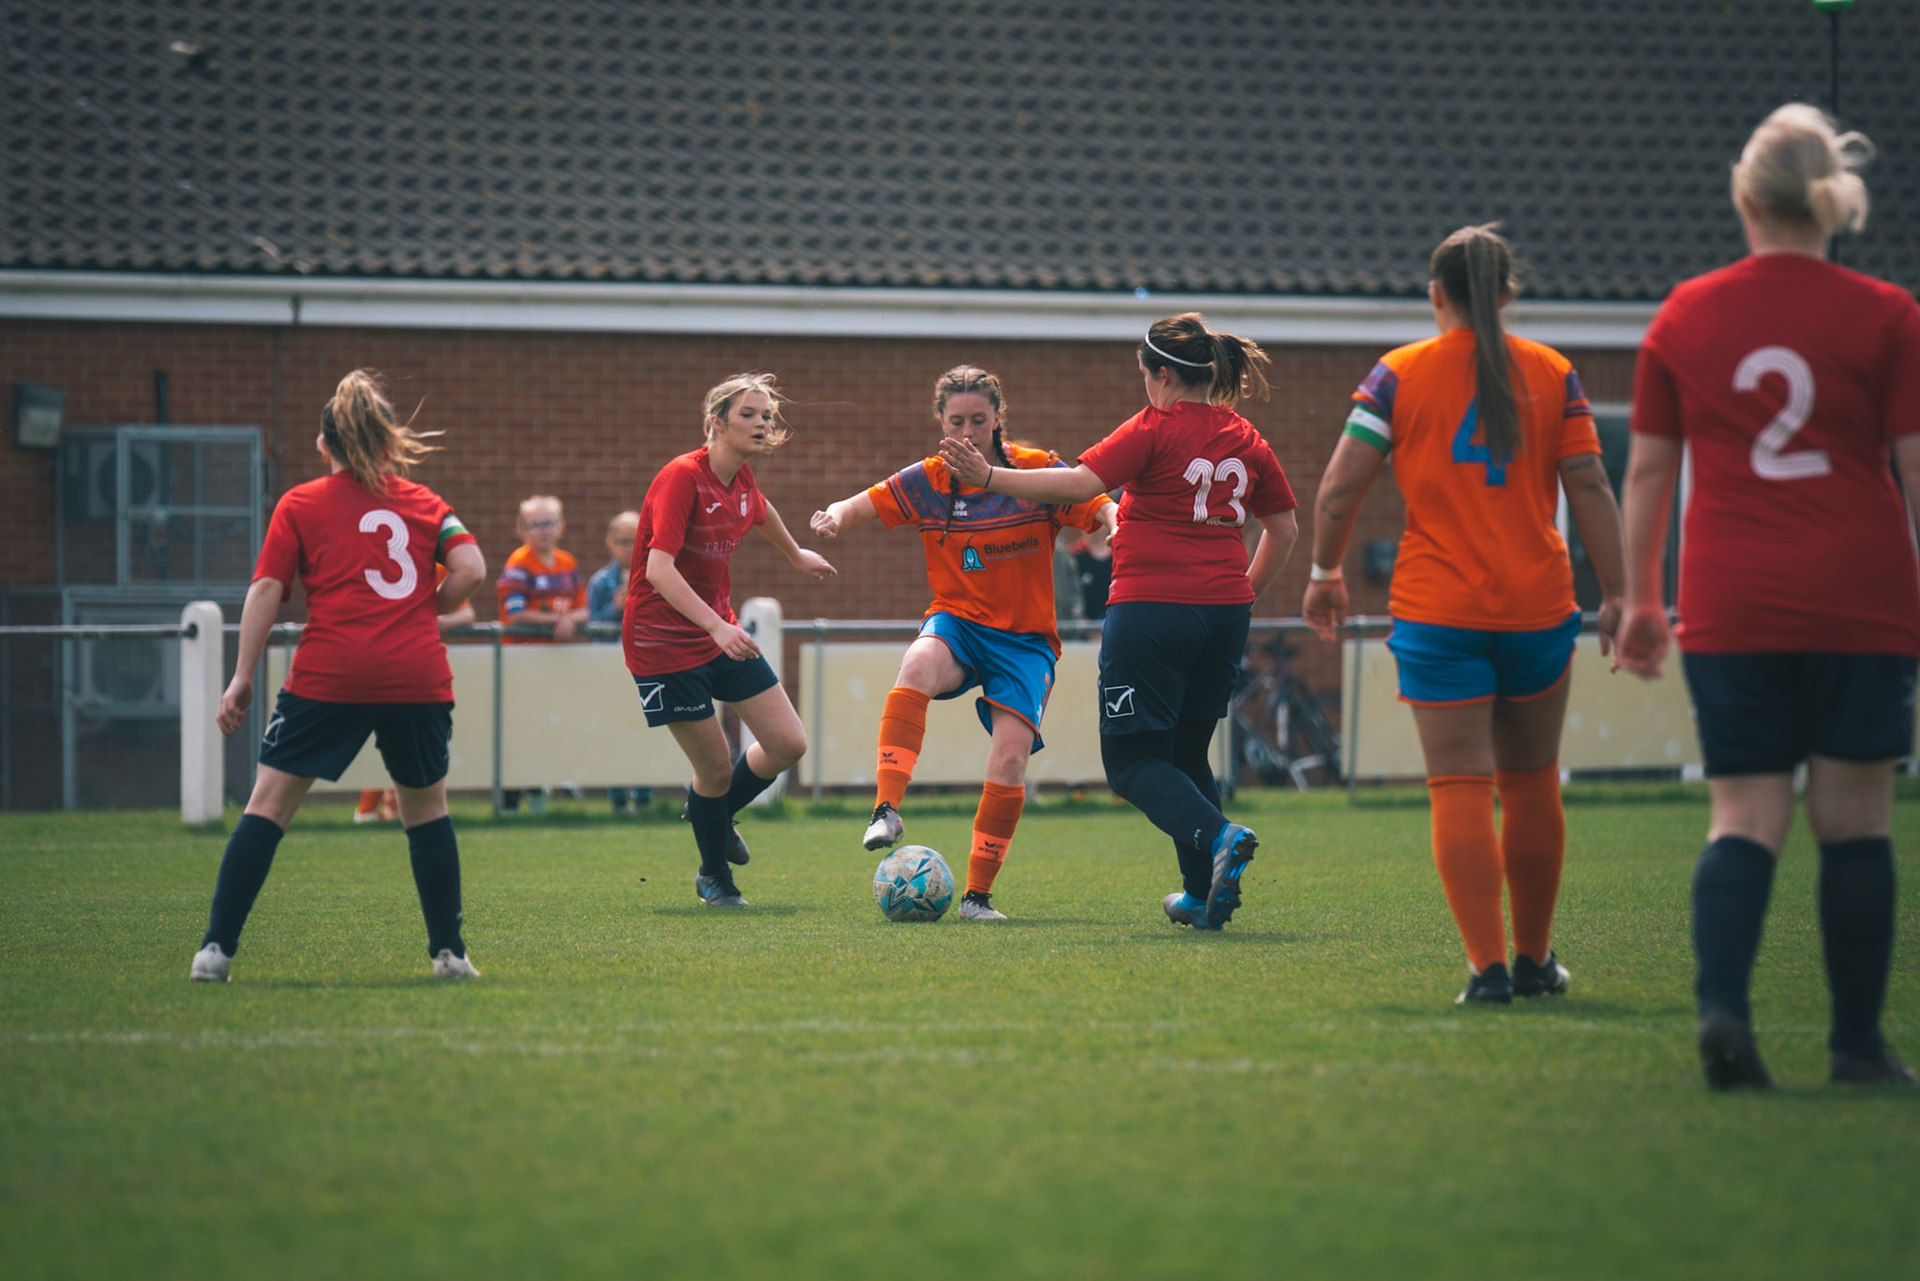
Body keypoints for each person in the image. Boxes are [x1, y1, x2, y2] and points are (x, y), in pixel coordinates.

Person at [1616, 105, 1920, 1089]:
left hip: (1733, 600)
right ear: (1833, 205)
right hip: (1862, 600)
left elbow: (1649, 474)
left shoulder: (1684, 314)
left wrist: (1642, 601)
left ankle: (1725, 1016)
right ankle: (1856, 1048)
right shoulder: (1889, 315)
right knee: (1856, 821)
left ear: (1744, 198)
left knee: (1744, 816)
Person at [1301, 224, 1626, 1006]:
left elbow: (1340, 486)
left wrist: (1325, 572)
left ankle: (1488, 969)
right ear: (1508, 293)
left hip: (1438, 609)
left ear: (1435, 294)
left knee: (1459, 785)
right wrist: (1620, 592)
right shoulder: (1554, 371)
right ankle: (1535, 960)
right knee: (1531, 781)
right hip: (1538, 606)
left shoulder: (1398, 374)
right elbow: (1589, 483)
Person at [941, 314, 1298, 930]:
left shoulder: (1155, 426)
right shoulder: (1246, 437)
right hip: (1224, 617)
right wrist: (1241, 597)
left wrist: (989, 476)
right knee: (1186, 754)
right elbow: (1284, 529)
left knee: (1131, 764)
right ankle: (1201, 896)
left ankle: (1220, 835)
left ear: (1162, 375)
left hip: (1152, 611)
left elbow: (1081, 482)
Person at [189, 369, 486, 982]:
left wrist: (241, 676)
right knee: (426, 811)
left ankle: (215, 952)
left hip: (332, 673)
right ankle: (450, 955)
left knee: (269, 805)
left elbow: (267, 589)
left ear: (325, 445)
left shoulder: (300, 503)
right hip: (415, 675)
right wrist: (420, 609)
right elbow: (473, 569)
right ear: (386, 442)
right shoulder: (426, 503)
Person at [810, 366, 1117, 920]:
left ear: (998, 417)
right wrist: (834, 516)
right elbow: (861, 503)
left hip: (1024, 642)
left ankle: (977, 898)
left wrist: (1115, 519)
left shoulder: (1036, 470)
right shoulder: (929, 481)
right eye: (957, 422)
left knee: (1010, 758)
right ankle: (886, 809)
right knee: (917, 664)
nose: (968, 432)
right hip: (959, 622)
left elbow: (1096, 503)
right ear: (940, 422)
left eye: (979, 419)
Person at [624, 372, 836, 907]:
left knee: (788, 743)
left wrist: (795, 554)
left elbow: (760, 511)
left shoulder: (741, 480)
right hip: (664, 642)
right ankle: (714, 876)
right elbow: (659, 571)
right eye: (749, 414)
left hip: (717, 631)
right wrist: (718, 626)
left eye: (766, 415)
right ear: (716, 422)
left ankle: (711, 815)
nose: (762, 423)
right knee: (715, 768)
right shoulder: (681, 477)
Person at [496, 494, 588, 810]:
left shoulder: (567, 563)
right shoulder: (519, 564)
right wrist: (558, 620)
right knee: (520, 730)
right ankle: (510, 802)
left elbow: (584, 609)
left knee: (550, 726)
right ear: (521, 530)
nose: (543, 530)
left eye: (549, 523)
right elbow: (515, 613)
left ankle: (541, 794)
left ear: (561, 527)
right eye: (535, 525)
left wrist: (570, 618)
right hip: (522, 661)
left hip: (556, 662)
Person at [588, 510, 650, 813]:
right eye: (622, 541)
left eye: (635, 541)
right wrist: (616, 608)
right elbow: (593, 627)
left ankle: (644, 796)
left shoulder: (656, 575)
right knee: (613, 729)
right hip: (610, 668)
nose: (629, 548)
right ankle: (617, 798)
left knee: (647, 727)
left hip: (647, 664)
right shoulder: (600, 582)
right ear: (610, 543)